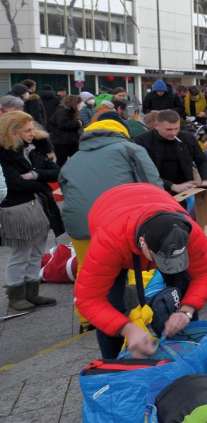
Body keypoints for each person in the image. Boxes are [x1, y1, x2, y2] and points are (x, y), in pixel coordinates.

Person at [74, 183, 207, 358]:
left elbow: (204, 272)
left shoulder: (189, 231)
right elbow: (88, 299)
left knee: (184, 289)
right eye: (160, 259)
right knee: (112, 305)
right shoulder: (108, 241)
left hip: (153, 199)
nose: (167, 264)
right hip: (109, 212)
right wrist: (127, 329)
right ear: (143, 242)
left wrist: (187, 310)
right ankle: (114, 366)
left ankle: (189, 352)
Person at [60, 114, 162, 329]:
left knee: (87, 270)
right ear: (122, 131)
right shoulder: (130, 149)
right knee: (140, 266)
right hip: (119, 222)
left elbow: (66, 189)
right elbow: (152, 185)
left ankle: (87, 318)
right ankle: (140, 315)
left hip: (80, 223)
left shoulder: (75, 157)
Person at [0, 112, 62, 312]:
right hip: (18, 208)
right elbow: (14, 184)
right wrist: (42, 180)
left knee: (37, 251)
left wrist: (35, 175)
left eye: (32, 128)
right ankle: (16, 295)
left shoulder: (38, 147)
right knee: (21, 253)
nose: (32, 133)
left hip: (40, 204)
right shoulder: (5, 153)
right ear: (12, 131)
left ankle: (32, 292)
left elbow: (56, 172)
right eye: (27, 130)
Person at [133, 110, 207, 194]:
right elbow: (143, 171)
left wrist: (206, 179)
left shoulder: (186, 137)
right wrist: (171, 186)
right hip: (156, 190)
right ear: (156, 126)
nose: (174, 133)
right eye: (169, 129)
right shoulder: (142, 141)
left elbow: (201, 160)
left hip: (186, 188)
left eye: (176, 128)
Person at [47, 94, 82, 167]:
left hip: (69, 141)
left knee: (75, 161)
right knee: (61, 162)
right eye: (78, 103)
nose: (80, 105)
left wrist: (79, 122)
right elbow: (63, 124)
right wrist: (78, 123)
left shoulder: (70, 111)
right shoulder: (62, 111)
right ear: (74, 103)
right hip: (62, 141)